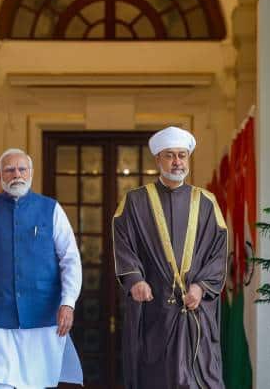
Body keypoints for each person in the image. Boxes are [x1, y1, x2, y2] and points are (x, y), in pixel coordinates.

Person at [113, 126, 227, 389]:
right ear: (158, 159)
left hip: (195, 309)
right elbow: (124, 244)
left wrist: (201, 287)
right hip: (155, 310)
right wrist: (136, 280)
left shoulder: (207, 202)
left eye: (182, 155)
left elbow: (218, 252)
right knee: (157, 379)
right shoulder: (135, 202)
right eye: (170, 155)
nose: (177, 162)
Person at [0, 148, 83, 389]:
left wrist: (68, 302)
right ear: (0, 176)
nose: (16, 174)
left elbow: (70, 259)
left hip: (42, 318)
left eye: (21, 169)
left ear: (31, 173)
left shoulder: (51, 209)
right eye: (9, 170)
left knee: (37, 383)